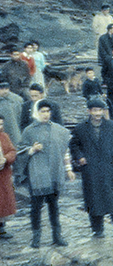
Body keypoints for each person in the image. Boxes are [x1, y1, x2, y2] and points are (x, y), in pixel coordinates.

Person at [70, 97, 113, 239]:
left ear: (104, 111)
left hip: (108, 169)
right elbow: (74, 145)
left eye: (100, 110)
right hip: (90, 170)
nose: (97, 113)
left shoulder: (112, 127)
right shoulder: (80, 129)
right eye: (94, 110)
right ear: (89, 111)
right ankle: (98, 230)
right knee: (93, 200)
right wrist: (80, 157)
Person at [18, 100, 75, 248]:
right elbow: (21, 151)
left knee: (54, 206)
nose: (46, 114)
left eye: (48, 111)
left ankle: (57, 236)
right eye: (42, 111)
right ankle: (36, 237)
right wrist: (32, 149)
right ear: (37, 112)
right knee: (36, 206)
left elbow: (65, 151)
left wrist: (68, 169)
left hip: (54, 172)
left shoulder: (59, 130)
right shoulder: (28, 131)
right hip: (37, 173)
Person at [0, 115, 17, 240]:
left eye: (1, 124)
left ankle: (1, 228)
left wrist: (5, 159)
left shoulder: (4, 137)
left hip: (2, 175)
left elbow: (12, 151)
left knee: (3, 202)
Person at [0, 81, 24, 147]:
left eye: (6, 88)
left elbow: (22, 117)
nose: (5, 91)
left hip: (15, 131)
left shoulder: (17, 100)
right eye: (2, 89)